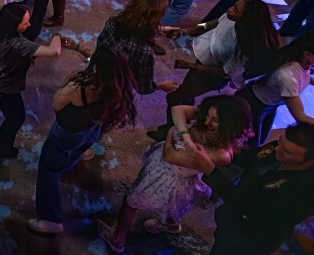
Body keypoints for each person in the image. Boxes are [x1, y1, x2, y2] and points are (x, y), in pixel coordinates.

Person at [97, 96, 253, 252]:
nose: (206, 122)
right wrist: (186, 136)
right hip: (170, 171)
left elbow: (170, 156)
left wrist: (173, 131)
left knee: (131, 202)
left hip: (169, 180)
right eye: (208, 116)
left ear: (229, 126)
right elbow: (177, 110)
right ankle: (170, 226)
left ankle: (117, 241)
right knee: (173, 209)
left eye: (215, 120)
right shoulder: (209, 119)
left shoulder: (222, 154)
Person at [28, 46, 138, 234]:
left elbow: (56, 104)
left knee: (48, 170)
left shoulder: (80, 88)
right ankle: (67, 167)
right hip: (91, 131)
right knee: (75, 152)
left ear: (97, 68)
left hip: (67, 133)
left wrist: (71, 80)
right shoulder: (118, 88)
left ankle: (50, 220)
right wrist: (79, 49)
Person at [148, 0, 280, 141]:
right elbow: (207, 25)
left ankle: (171, 131)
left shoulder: (243, 47)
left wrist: (190, 65)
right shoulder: (230, 17)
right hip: (204, 63)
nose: (230, 9)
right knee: (186, 95)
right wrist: (183, 31)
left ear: (246, 19)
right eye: (233, 5)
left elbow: (224, 72)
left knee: (173, 96)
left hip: (212, 77)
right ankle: (180, 123)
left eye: (236, 10)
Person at [185, 122, 314, 255]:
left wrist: (210, 171)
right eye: (281, 141)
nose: (277, 149)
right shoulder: (279, 149)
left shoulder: (304, 193)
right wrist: (227, 151)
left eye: (287, 152)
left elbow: (246, 204)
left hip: (249, 239)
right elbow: (254, 157)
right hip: (232, 220)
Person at [0, 3, 62, 158]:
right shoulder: (18, 44)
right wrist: (57, 36)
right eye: (25, 23)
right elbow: (54, 51)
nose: (29, 24)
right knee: (16, 117)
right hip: (3, 89)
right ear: (13, 25)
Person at [235, 34, 314, 150]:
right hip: (253, 104)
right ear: (307, 55)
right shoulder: (287, 77)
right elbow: (300, 117)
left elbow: (304, 76)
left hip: (270, 106)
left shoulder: (302, 64)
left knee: (261, 139)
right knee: (250, 145)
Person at [95, 0, 178, 95]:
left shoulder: (116, 18)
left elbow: (135, 25)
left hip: (98, 67)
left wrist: (159, 29)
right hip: (116, 86)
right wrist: (161, 86)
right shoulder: (144, 51)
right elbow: (142, 88)